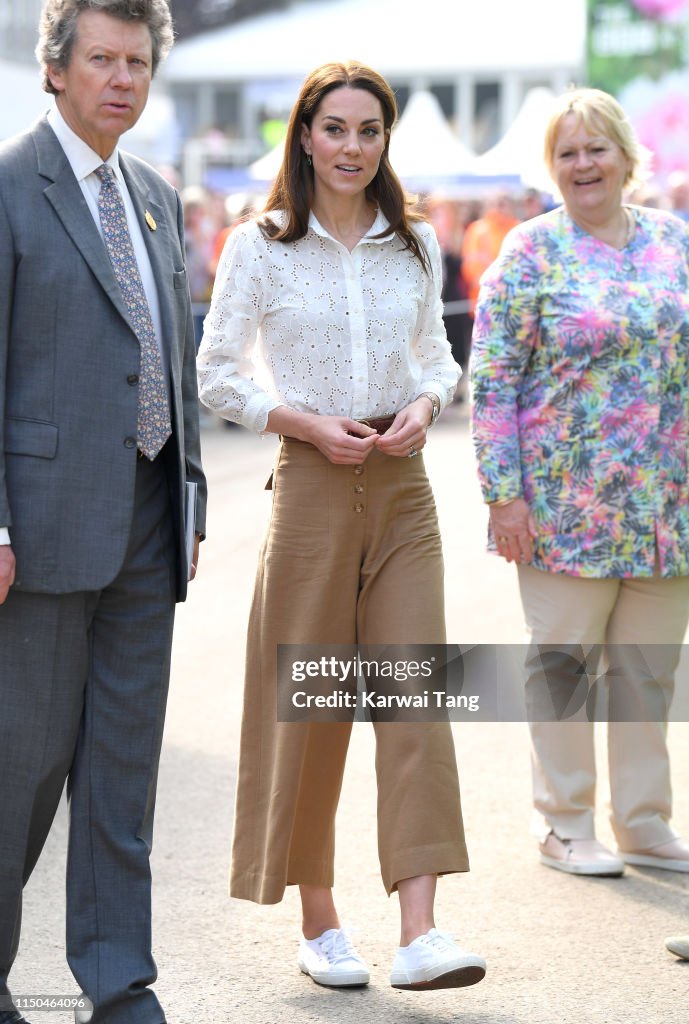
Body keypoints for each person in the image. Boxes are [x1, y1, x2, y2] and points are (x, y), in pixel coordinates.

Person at [197, 61, 486, 992]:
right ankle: (321, 925)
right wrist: (301, 422)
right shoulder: (260, 246)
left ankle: (420, 933)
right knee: (315, 709)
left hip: (404, 490)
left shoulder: (413, 244)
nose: (352, 147)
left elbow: (440, 358)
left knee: (413, 703)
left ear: (384, 141)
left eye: (368, 130)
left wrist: (429, 402)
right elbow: (216, 375)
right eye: (336, 128)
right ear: (306, 136)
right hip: (314, 486)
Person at [0, 3, 206, 1023]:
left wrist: (193, 494)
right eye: (101, 59)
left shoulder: (156, 196)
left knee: (122, 773)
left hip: (147, 521)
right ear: (55, 69)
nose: (121, 78)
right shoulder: (6, 187)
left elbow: (173, 352)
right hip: (35, 531)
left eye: (138, 61)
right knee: (18, 770)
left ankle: (118, 978)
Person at [471, 87, 689, 877]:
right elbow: (492, 381)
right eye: (566, 152)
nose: (582, 164)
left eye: (595, 148)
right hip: (564, 508)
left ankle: (641, 821)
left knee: (647, 673)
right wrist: (504, 494)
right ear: (551, 168)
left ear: (626, 156)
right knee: (563, 665)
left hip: (667, 506)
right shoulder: (529, 252)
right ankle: (563, 823)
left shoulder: (674, 241)